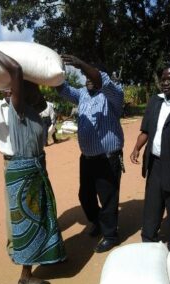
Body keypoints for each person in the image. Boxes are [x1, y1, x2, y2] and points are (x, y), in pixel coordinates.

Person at [0, 40, 66, 284]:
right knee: (27, 221)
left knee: (42, 216)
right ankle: (25, 275)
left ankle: (48, 255)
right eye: (34, 90)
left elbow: (42, 136)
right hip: (22, 172)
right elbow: (17, 71)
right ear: (24, 92)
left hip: (35, 170)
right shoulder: (17, 108)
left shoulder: (35, 114)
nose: (40, 94)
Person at [56, 55, 124, 253]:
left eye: (90, 74)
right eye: (84, 75)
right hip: (86, 158)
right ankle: (98, 222)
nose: (87, 78)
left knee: (108, 198)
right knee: (85, 196)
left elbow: (101, 79)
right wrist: (54, 72)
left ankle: (111, 235)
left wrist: (81, 64)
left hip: (107, 158)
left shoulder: (113, 95)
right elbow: (62, 89)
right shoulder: (82, 94)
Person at [130, 64, 170, 250]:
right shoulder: (155, 101)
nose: (166, 83)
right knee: (153, 203)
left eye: (169, 79)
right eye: (163, 79)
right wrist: (137, 147)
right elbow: (146, 130)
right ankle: (149, 238)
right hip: (154, 163)